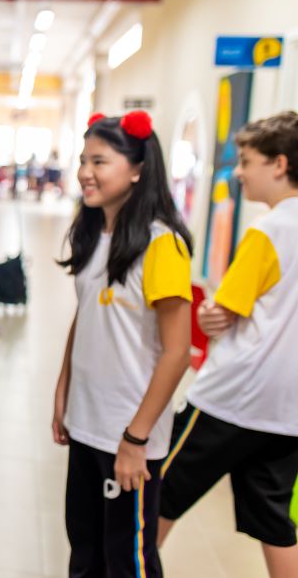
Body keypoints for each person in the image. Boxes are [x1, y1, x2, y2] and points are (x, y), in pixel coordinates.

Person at [52, 111, 193, 577]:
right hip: (87, 422)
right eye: (82, 160)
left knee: (128, 558)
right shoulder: (93, 233)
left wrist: (135, 439)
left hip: (128, 435)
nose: (85, 172)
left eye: (99, 161)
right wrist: (62, 391)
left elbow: (177, 353)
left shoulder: (162, 244)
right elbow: (86, 316)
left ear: (136, 168)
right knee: (85, 549)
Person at [159, 112, 298, 578]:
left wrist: (205, 314)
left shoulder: (268, 231)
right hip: (287, 410)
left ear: (279, 164)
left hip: (230, 399)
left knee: (157, 494)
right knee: (274, 522)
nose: (238, 172)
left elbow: (219, 315)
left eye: (246, 161)